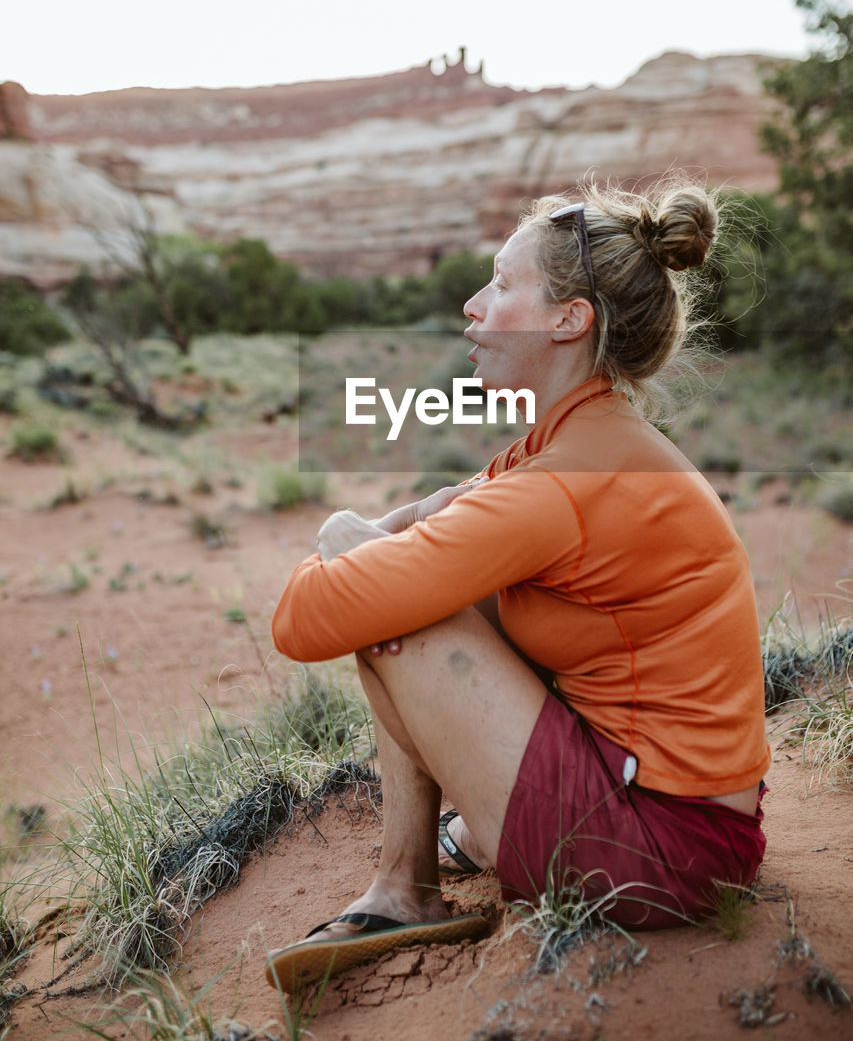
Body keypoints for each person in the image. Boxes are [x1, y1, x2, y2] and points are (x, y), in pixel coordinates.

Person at [266, 177, 769, 989]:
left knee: (404, 613)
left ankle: (407, 886)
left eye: (501, 285)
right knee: (414, 587)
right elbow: (443, 528)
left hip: (664, 853)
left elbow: (302, 621)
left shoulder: (563, 480)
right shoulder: (579, 442)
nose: (471, 304)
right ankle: (410, 881)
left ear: (568, 321)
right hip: (680, 818)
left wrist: (345, 535)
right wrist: (398, 529)